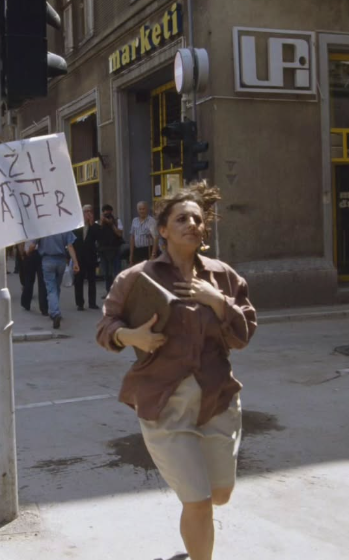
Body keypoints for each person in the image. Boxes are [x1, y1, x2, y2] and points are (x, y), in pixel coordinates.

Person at [96, 182, 257, 560]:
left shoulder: (223, 277)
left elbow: (244, 334)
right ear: (163, 229)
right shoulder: (136, 278)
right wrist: (130, 336)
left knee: (220, 494)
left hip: (217, 399)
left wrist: (218, 303)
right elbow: (104, 328)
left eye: (198, 219)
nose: (192, 224)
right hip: (164, 403)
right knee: (198, 500)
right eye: (181, 218)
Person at [38, 230, 80, 329]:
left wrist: (26, 252)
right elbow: (70, 246)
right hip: (61, 261)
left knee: (51, 289)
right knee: (56, 287)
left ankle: (55, 313)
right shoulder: (63, 226)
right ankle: (54, 309)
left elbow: (32, 244)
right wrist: (75, 263)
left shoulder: (42, 226)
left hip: (47, 260)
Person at [73, 204, 101, 311]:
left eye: (90, 211)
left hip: (91, 257)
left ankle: (92, 302)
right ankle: (80, 303)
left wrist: (92, 224)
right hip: (79, 257)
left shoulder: (95, 226)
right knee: (78, 280)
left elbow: (99, 238)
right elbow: (71, 242)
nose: (88, 214)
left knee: (92, 280)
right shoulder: (77, 226)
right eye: (86, 212)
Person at [97, 203, 124, 296]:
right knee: (106, 273)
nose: (107, 215)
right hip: (103, 250)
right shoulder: (100, 222)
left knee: (116, 272)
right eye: (105, 213)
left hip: (115, 249)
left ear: (112, 212)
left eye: (108, 212)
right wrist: (102, 222)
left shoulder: (117, 221)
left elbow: (120, 234)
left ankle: (117, 292)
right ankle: (109, 291)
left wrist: (112, 224)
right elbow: (97, 234)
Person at [19, 239, 48, 315]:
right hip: (41, 254)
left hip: (29, 253)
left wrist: (22, 253)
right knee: (42, 281)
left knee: (28, 280)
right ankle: (44, 307)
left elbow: (22, 242)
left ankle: (26, 303)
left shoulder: (26, 227)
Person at [130, 200, 158, 265]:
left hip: (148, 250)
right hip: (137, 250)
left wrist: (153, 254)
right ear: (137, 210)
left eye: (143, 209)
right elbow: (132, 237)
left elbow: (156, 238)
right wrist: (131, 255)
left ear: (147, 209)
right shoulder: (134, 220)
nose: (142, 211)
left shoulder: (151, 221)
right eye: (140, 209)